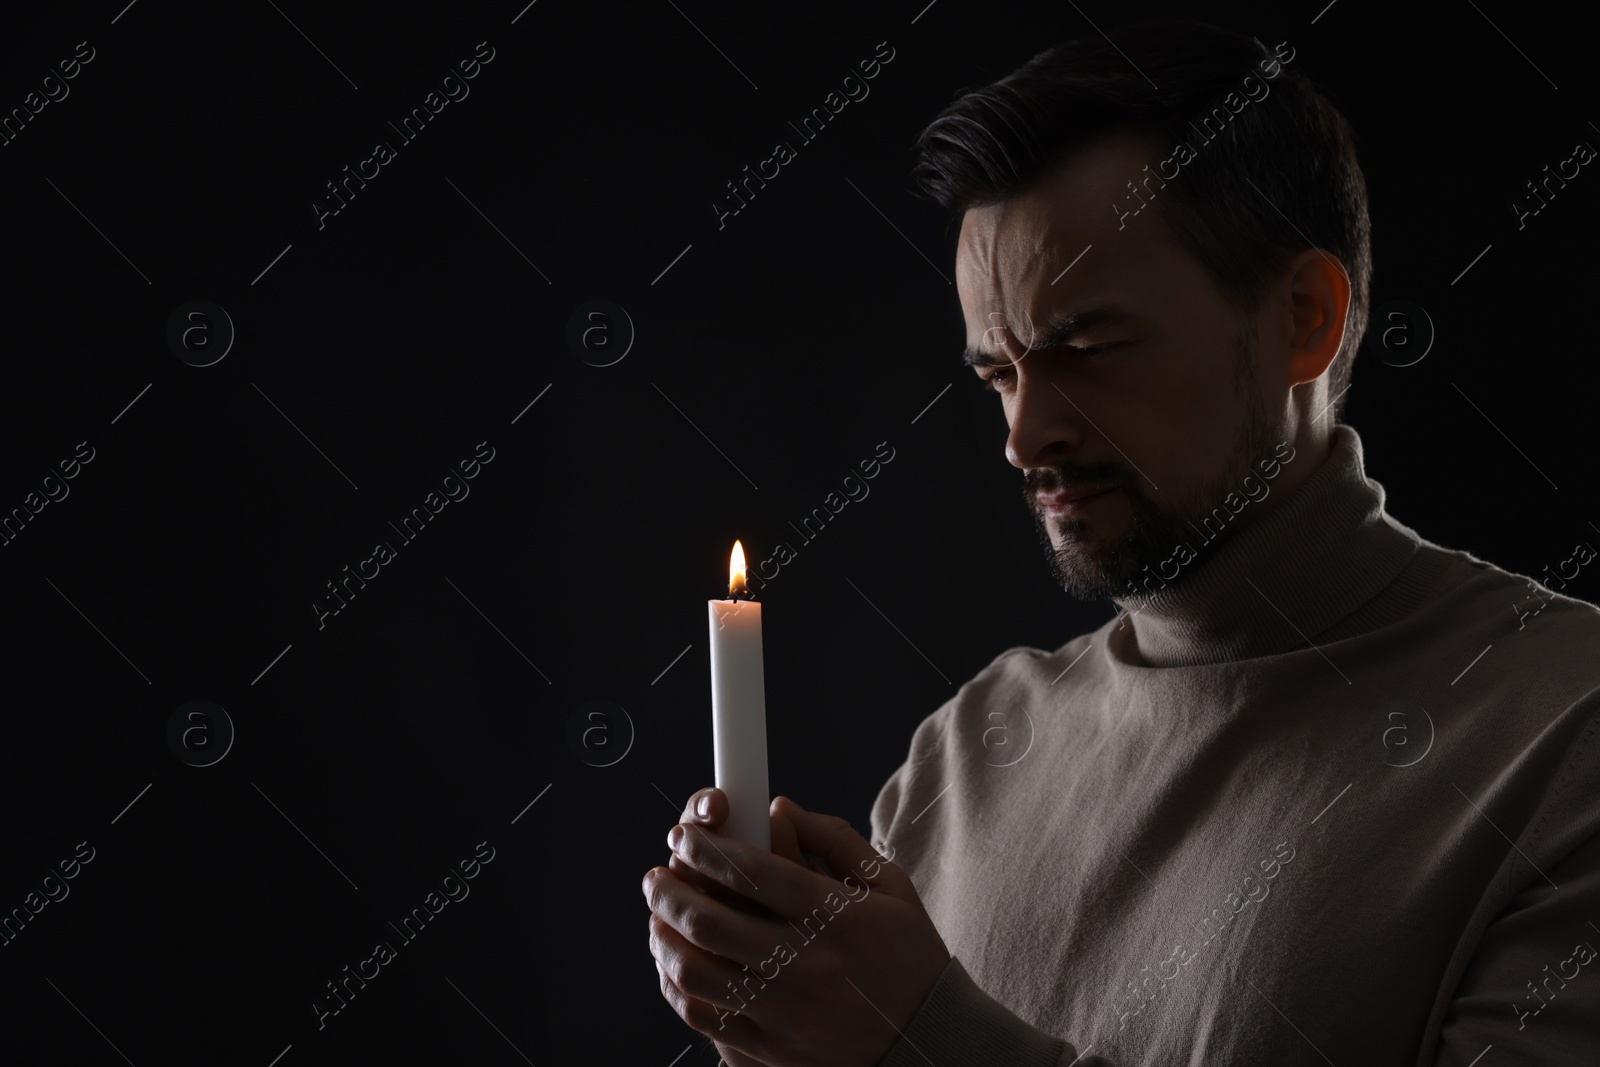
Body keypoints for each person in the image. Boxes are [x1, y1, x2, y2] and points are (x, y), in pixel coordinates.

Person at [643, 19, 1600, 1066]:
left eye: (1087, 350)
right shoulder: (963, 757)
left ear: (1304, 317)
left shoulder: (1566, 732)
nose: (1023, 435)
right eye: (997, 374)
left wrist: (921, 1039)